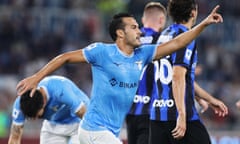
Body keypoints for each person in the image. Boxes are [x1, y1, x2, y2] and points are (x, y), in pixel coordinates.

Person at [16, 5, 223, 144]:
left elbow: (177, 43)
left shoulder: (143, 54)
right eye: (134, 28)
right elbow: (64, 58)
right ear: (120, 34)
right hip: (93, 129)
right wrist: (37, 77)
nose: (140, 31)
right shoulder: (101, 52)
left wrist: (203, 24)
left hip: (108, 132)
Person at [149, 0, 228, 144]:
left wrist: (209, 100)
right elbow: (177, 76)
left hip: (158, 116)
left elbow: (183, 78)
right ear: (193, 12)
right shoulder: (185, 38)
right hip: (180, 117)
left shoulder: (164, 35)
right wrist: (182, 114)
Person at [125, 2, 167, 144]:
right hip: (151, 110)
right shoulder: (163, 41)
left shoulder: (129, 40)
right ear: (161, 20)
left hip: (130, 109)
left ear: (143, 20)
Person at [8, 75, 89, 144]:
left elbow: (84, 114)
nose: (34, 119)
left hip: (78, 121)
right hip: (53, 125)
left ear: (44, 102)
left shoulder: (60, 91)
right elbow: (15, 138)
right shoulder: (20, 105)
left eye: (37, 115)